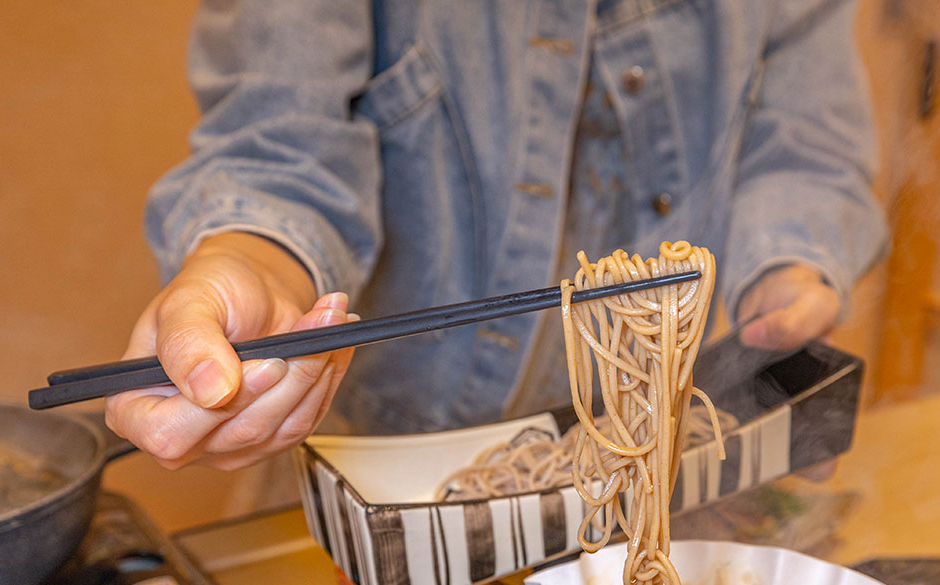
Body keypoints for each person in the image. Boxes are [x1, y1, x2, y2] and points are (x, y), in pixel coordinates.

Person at [106, 0, 886, 470]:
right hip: (382, 462)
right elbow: (281, 146)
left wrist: (789, 264)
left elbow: (804, 140)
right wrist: (252, 263)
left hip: (646, 444)